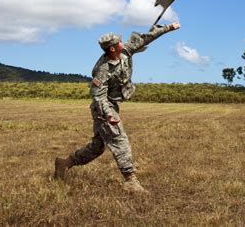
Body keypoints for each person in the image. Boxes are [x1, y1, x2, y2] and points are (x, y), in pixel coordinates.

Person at [54, 22, 180, 194]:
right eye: (119, 41)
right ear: (112, 49)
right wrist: (108, 115)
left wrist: (168, 28)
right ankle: (130, 180)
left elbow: (145, 38)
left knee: (97, 147)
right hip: (103, 108)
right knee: (120, 140)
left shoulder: (126, 52)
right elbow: (98, 96)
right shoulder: (102, 70)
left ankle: (65, 163)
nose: (123, 42)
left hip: (113, 105)